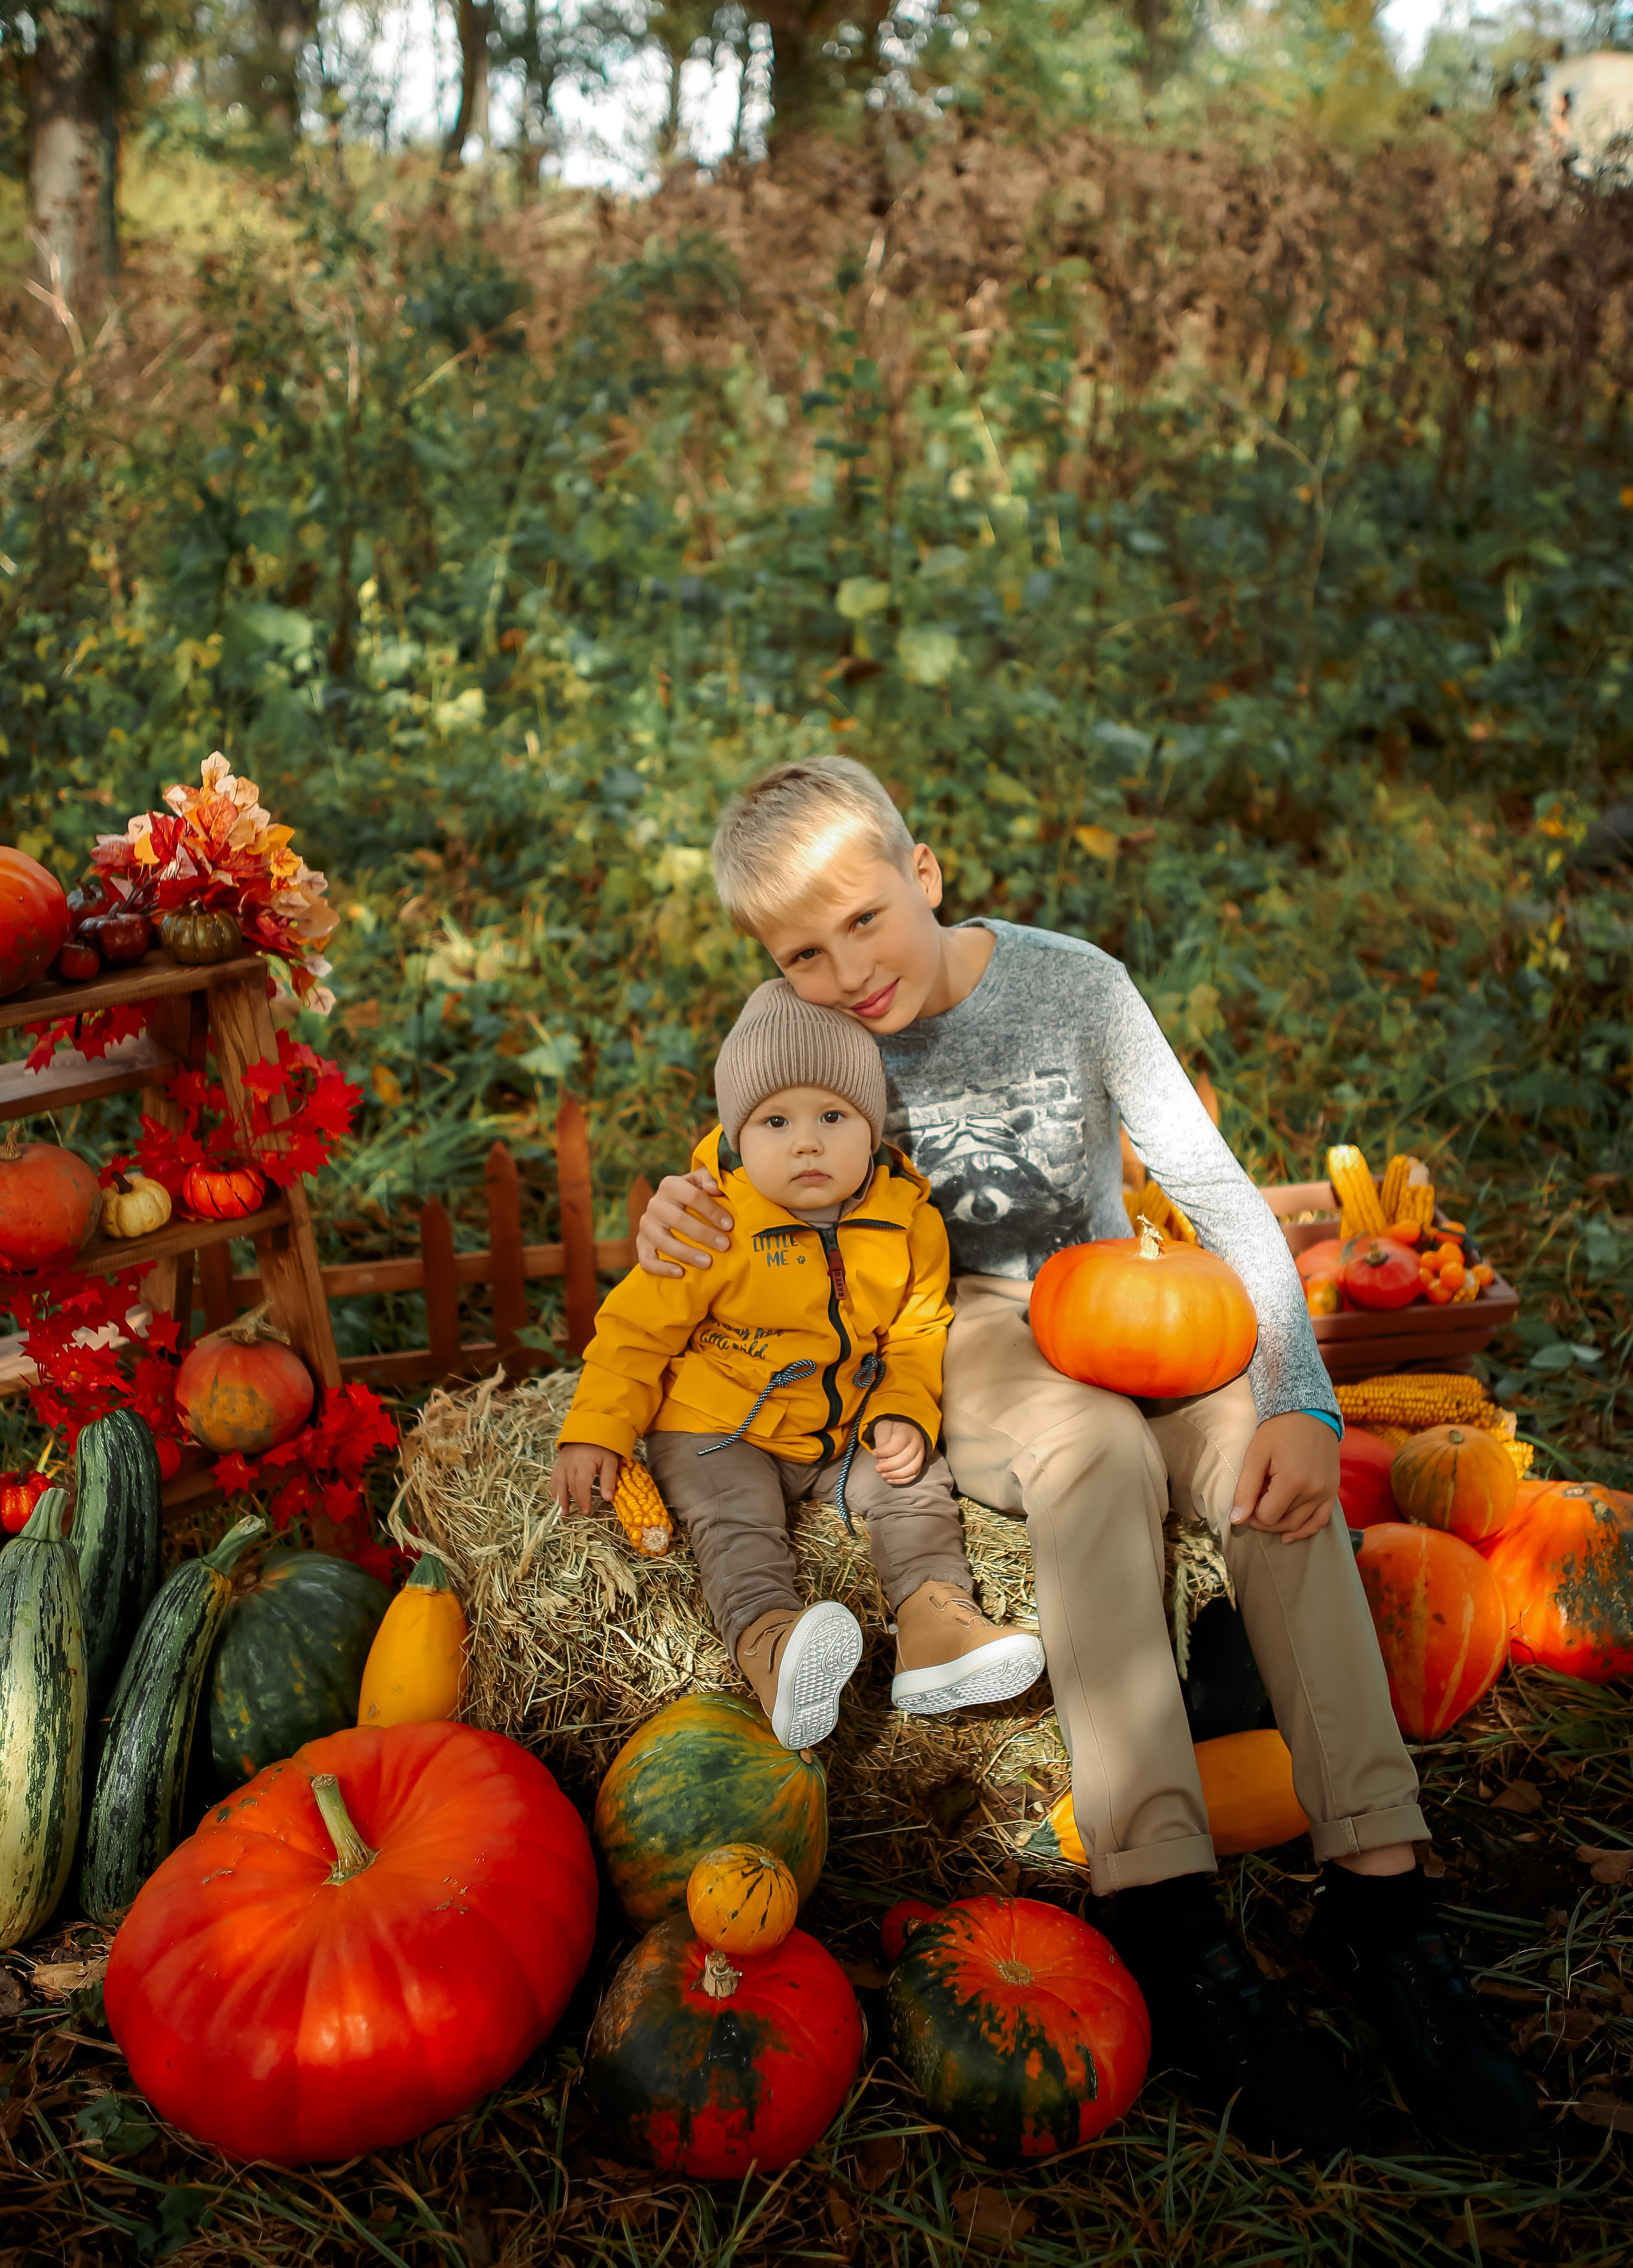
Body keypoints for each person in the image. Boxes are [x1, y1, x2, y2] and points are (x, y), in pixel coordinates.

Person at [630, 755, 1540, 2157]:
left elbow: (1214, 1193)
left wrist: (1295, 1393)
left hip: (1126, 1293)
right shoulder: (807, 1033)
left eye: (865, 920)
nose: (846, 970)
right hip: (962, 1324)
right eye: (801, 953)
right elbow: (735, 1162)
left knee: (1255, 1470)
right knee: (1094, 1455)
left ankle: (1382, 1898)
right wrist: (671, 1216)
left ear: (921, 874)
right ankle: (1165, 1911)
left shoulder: (1074, 989)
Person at [551, 978, 1045, 1752]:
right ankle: (775, 1649)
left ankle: (935, 1626)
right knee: (737, 1525)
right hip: (720, 1426)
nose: (805, 1141)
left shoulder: (905, 1219)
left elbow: (919, 1330)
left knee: (916, 1491)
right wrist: (594, 1430)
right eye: (775, 1121)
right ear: (737, 1136)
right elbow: (633, 1335)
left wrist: (904, 1412)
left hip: (845, 1425)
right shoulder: (711, 1221)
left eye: (832, 1116)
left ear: (872, 1129)